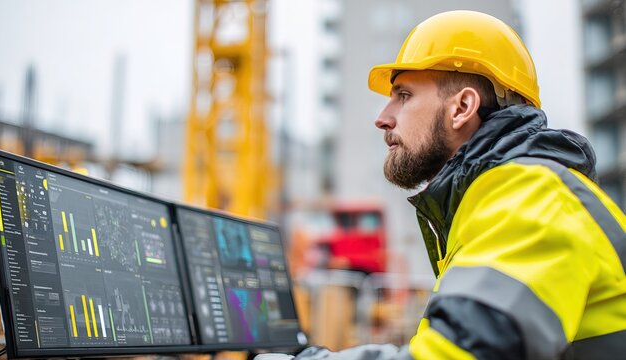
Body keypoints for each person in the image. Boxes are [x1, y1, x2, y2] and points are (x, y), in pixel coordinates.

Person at [258, 10, 626, 360]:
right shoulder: (493, 200)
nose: (383, 118)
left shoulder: (531, 197)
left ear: (462, 107)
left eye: (403, 95)